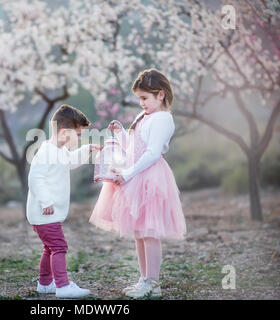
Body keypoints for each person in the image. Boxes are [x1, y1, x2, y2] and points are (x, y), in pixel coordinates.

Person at [89, 68, 187, 298]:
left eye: (145, 98)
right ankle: (144, 279)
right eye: (139, 99)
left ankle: (153, 282)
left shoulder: (163, 119)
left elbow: (152, 153)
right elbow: (134, 147)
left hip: (150, 178)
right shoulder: (145, 117)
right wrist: (122, 133)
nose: (141, 103)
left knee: (150, 231)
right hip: (136, 176)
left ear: (160, 95)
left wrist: (128, 173)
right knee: (139, 232)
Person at [27, 104, 101, 298]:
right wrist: (46, 201)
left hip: (45, 214)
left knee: (49, 247)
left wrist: (87, 149)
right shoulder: (46, 152)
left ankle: (45, 283)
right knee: (59, 246)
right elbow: (35, 178)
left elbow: (70, 161)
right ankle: (62, 286)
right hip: (44, 212)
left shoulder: (58, 150)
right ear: (63, 132)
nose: (79, 138)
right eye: (77, 135)